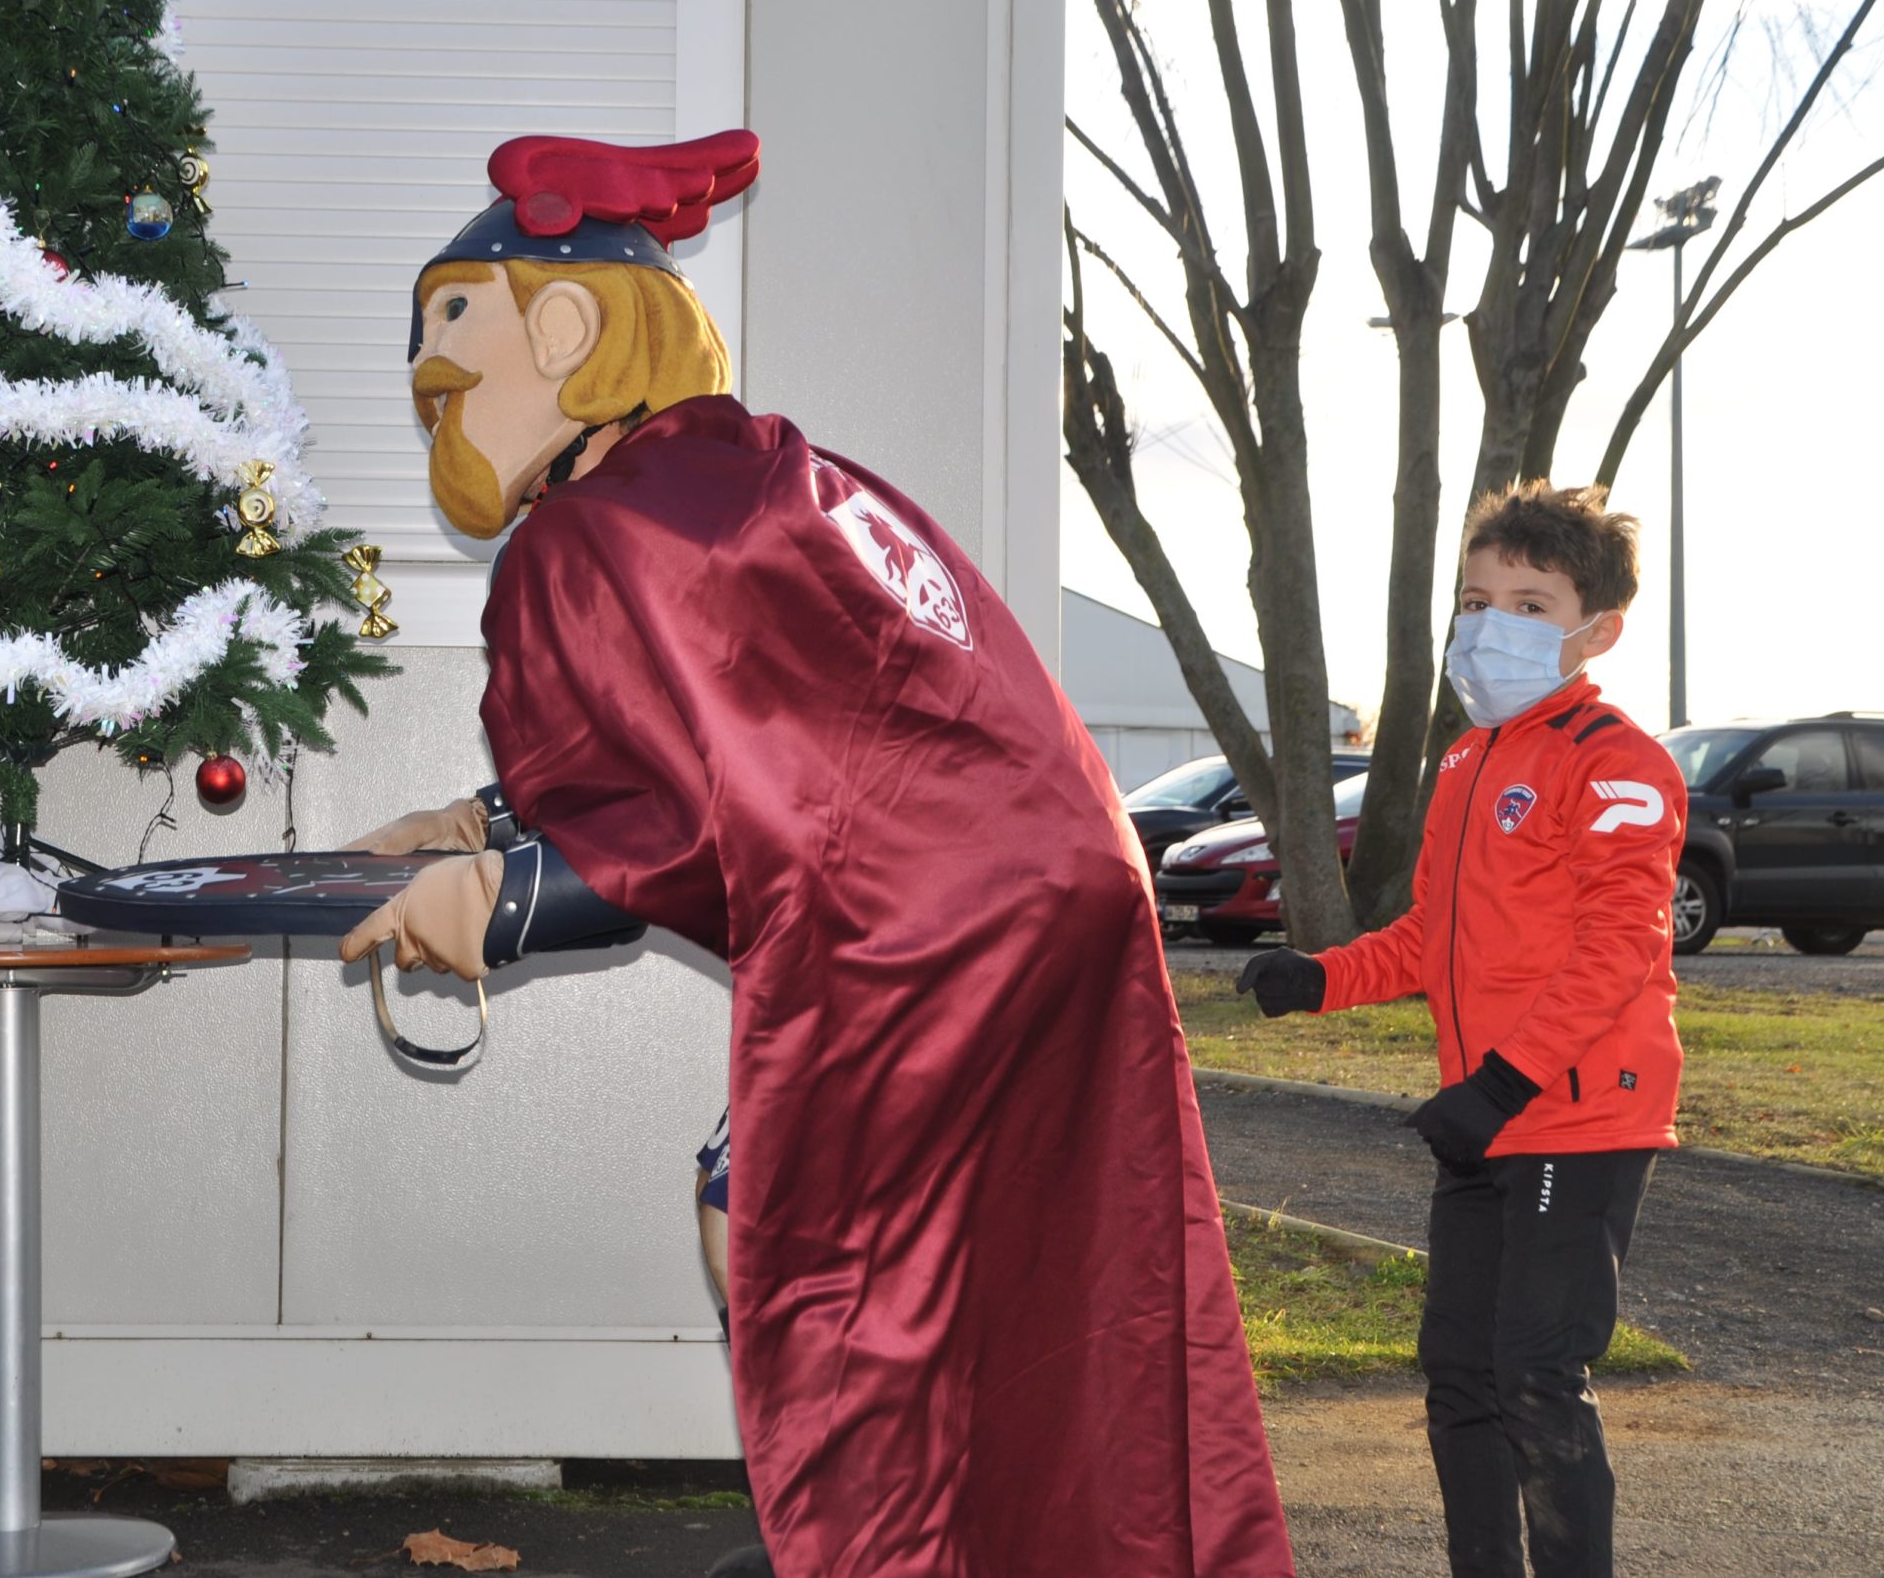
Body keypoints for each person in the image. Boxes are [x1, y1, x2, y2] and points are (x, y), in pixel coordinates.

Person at [338, 134, 1295, 1578]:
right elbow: (755, 738)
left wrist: (501, 898)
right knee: (1031, 1263)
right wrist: (479, 824)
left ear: (566, 326)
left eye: (451, 328)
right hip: (1060, 889)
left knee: (809, 1248)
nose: (428, 374)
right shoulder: (769, 474)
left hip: (918, 932)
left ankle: (879, 1549)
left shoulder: (585, 534)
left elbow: (672, 826)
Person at [1238, 483, 1685, 1578]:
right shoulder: (1464, 761)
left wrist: (1500, 1082)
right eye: (1477, 599)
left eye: (1530, 604)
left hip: (1572, 1115)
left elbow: (1616, 947)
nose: (1493, 624)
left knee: (1535, 1372)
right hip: (1486, 1116)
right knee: (1459, 1374)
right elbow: (1425, 936)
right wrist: (1319, 978)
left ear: (1598, 629)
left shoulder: (1617, 762)